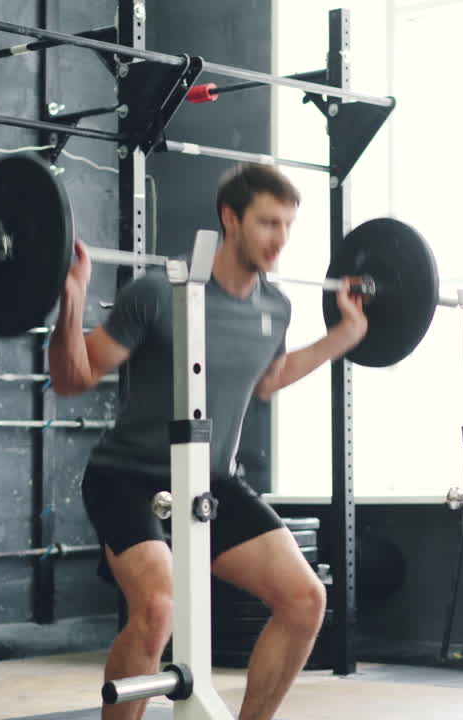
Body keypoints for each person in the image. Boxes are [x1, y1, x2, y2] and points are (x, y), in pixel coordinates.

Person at [49, 162, 367, 720]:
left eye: (288, 225)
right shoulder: (157, 294)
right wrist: (72, 301)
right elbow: (73, 378)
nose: (281, 240)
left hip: (211, 482)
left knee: (305, 600)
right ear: (230, 218)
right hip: (128, 477)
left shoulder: (276, 307)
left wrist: (343, 336)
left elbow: (267, 380)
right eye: (268, 223)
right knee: (157, 610)